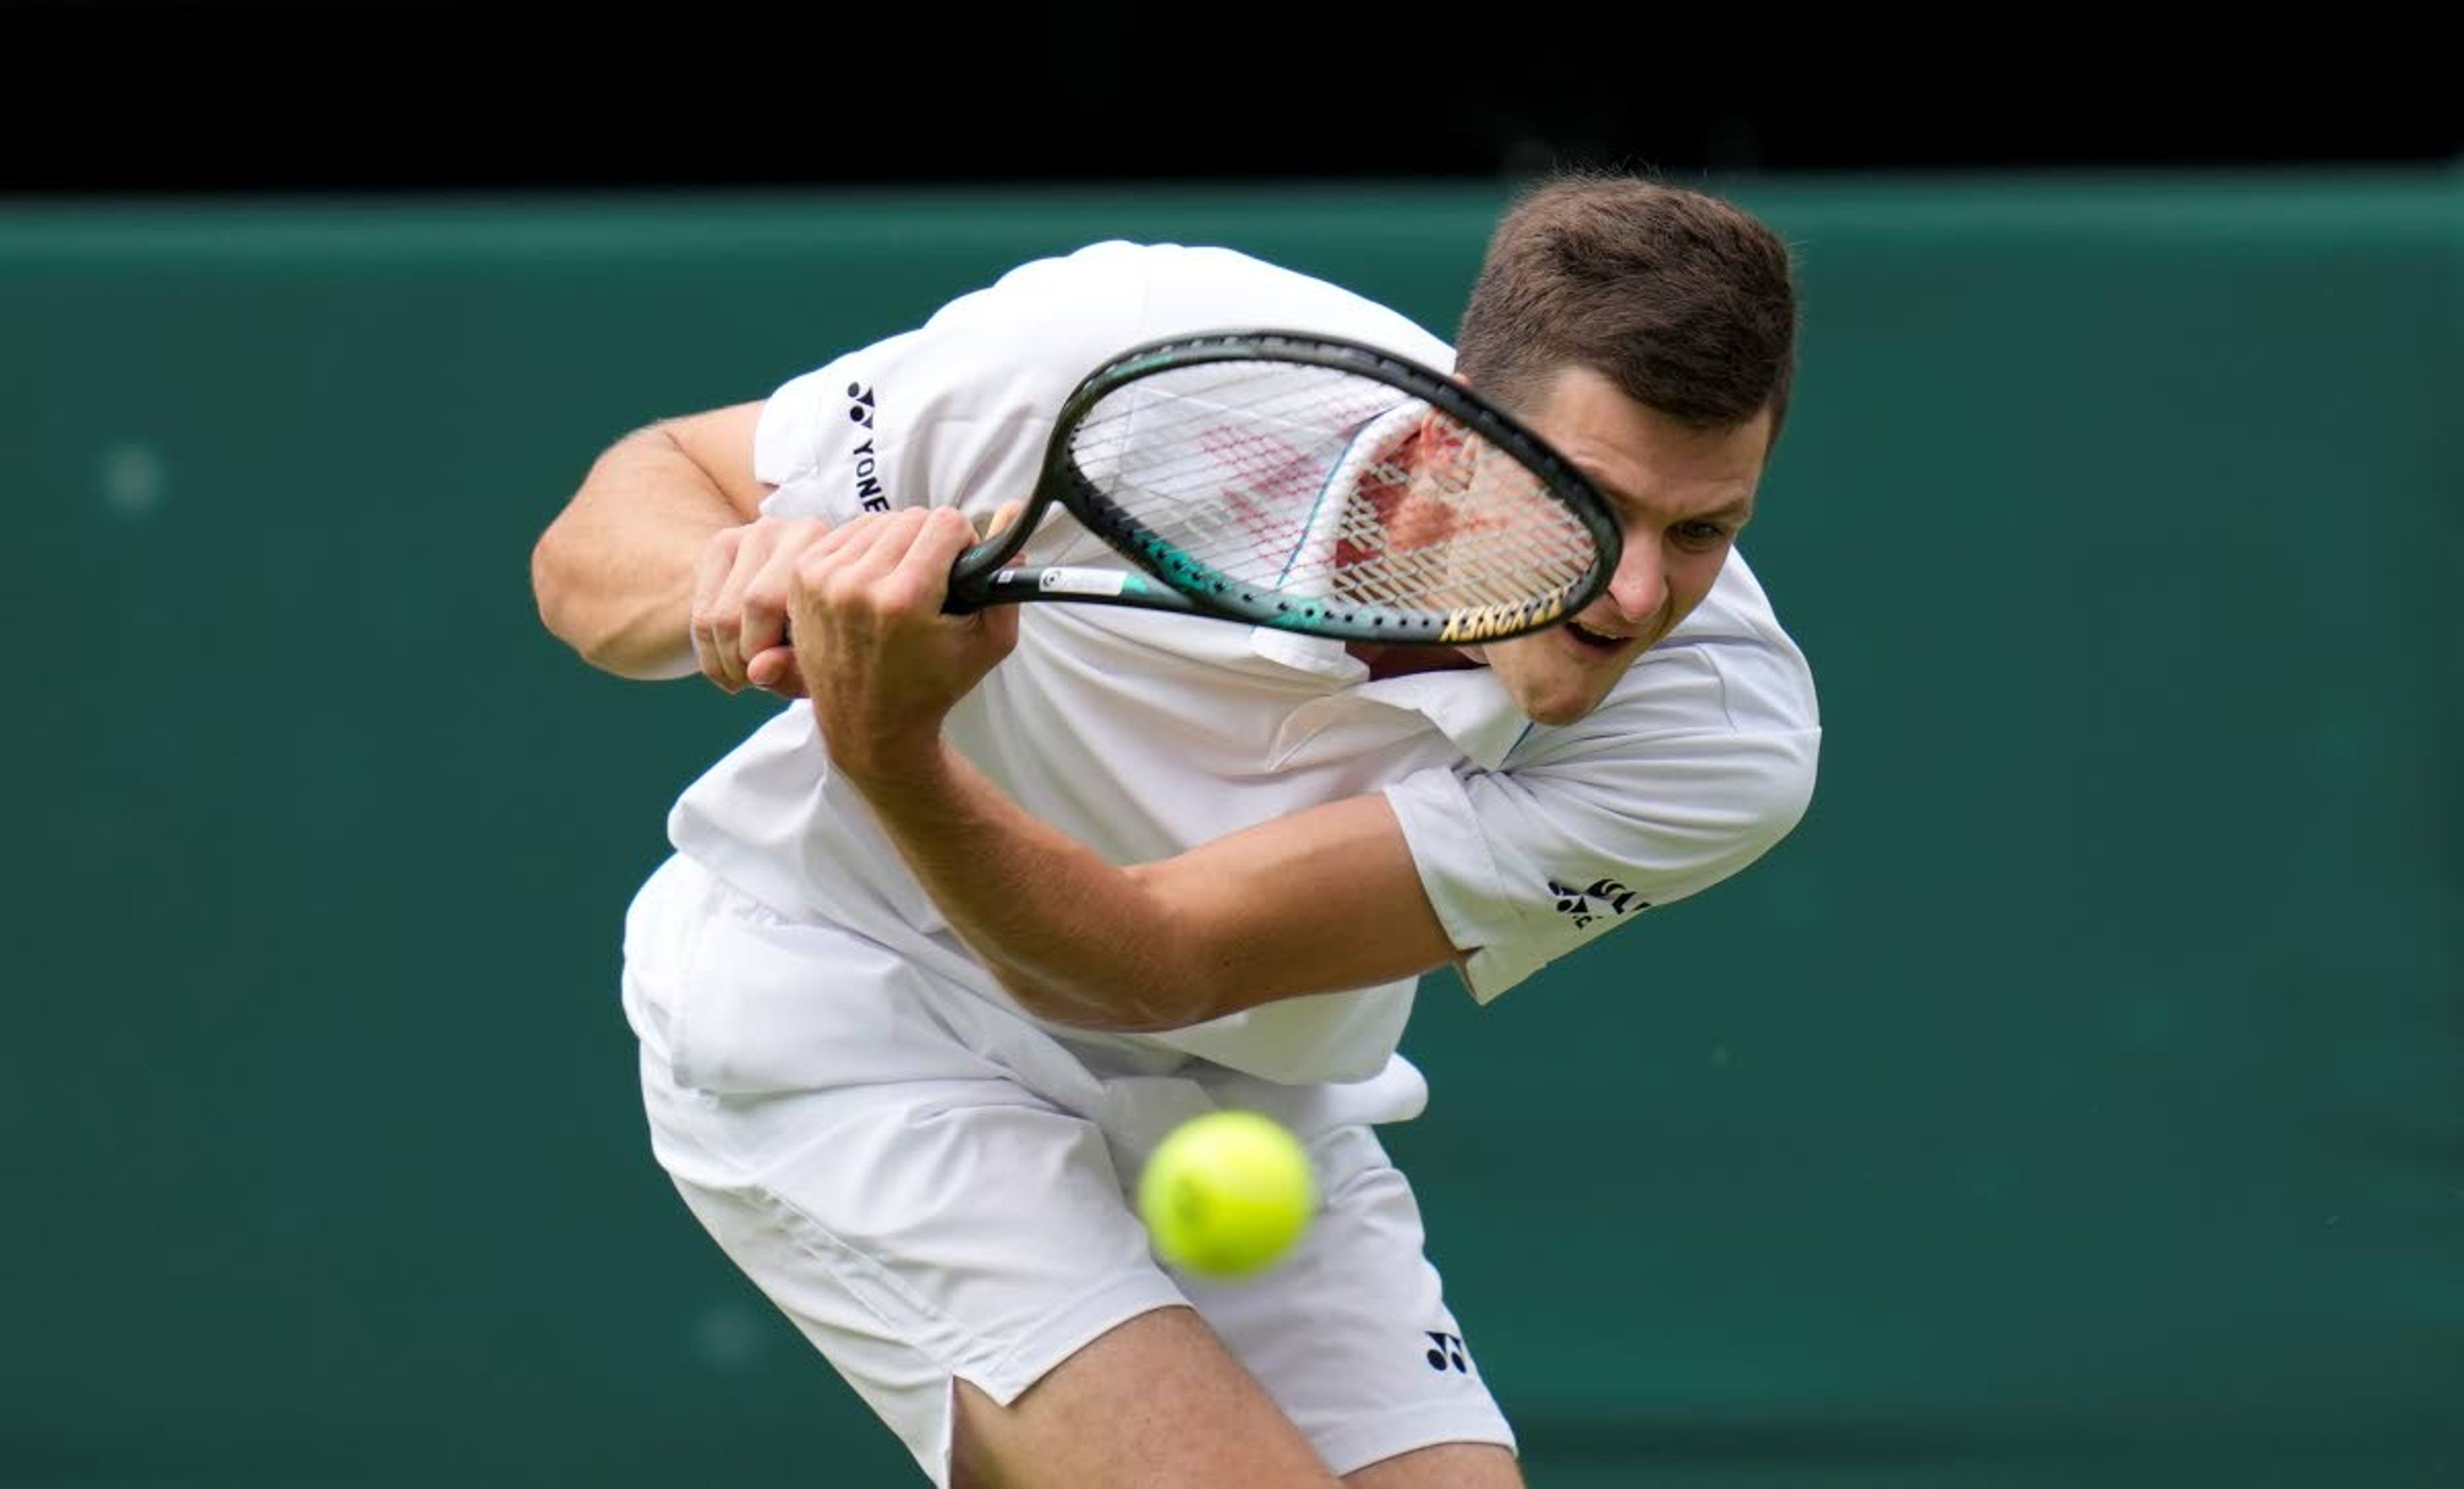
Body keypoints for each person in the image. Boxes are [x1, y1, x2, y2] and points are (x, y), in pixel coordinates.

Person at [530, 169, 1821, 1488]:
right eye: (1597, 510)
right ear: (1452, 442)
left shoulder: (1720, 734)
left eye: (1706, 527)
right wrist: (725, 579)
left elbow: (1156, 958)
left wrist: (889, 742)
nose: (1641, 591)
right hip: (850, 1009)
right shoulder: (1108, 352)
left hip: (1235, 1081)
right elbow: (625, 512)